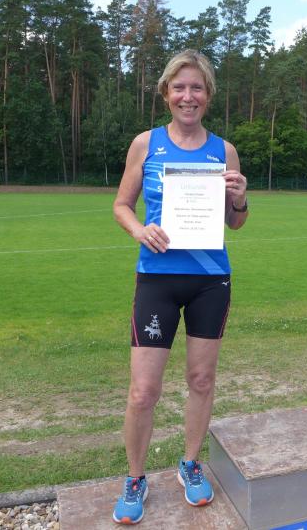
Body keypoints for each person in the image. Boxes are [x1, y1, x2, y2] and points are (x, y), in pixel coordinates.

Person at [111, 49, 248, 525]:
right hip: (158, 279)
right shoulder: (145, 144)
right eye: (179, 87)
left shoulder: (224, 150)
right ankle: (135, 478)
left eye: (197, 88)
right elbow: (121, 205)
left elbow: (236, 222)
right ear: (166, 93)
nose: (188, 96)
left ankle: (190, 464)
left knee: (201, 381)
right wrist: (139, 230)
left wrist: (241, 198)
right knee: (143, 391)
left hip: (210, 281)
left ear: (208, 95)